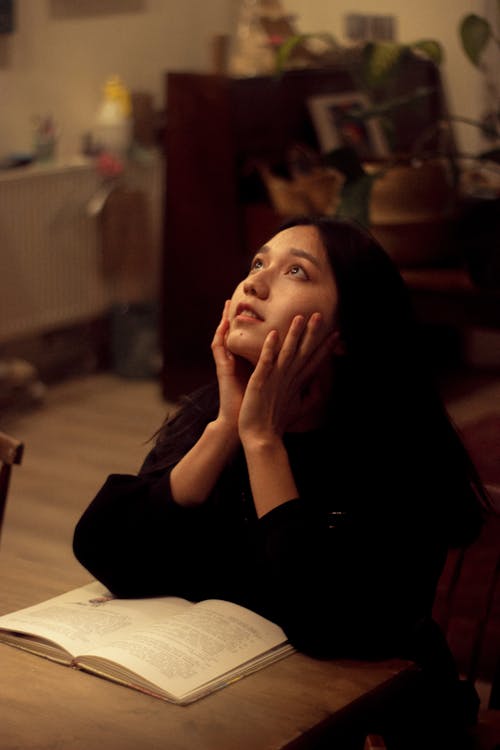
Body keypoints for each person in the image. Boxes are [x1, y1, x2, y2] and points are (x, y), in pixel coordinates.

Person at [73, 216, 490, 741]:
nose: (254, 282)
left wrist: (264, 442)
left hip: (370, 726)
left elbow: (327, 623)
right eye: (257, 263)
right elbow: (106, 550)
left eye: (296, 270)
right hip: (232, 712)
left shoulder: (396, 446)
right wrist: (227, 426)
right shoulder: (218, 416)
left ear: (344, 333)